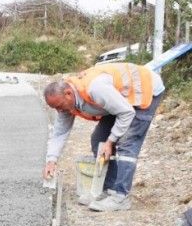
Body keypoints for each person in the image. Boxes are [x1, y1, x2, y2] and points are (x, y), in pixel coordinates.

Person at [42, 62, 166, 212]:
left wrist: (111, 140)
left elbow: (126, 112)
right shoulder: (66, 102)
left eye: (59, 106)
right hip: (120, 100)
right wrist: (51, 160)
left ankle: (121, 197)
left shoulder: (95, 88)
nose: (59, 110)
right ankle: (108, 190)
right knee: (98, 139)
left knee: (127, 144)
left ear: (68, 93)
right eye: (55, 108)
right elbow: (60, 133)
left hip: (145, 92)